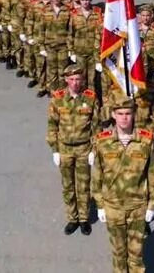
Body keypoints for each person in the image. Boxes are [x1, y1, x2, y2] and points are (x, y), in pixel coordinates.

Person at [92, 98, 154, 273]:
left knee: (136, 255)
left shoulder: (145, 140)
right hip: (113, 206)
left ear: (134, 114)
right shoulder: (102, 141)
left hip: (137, 206)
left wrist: (152, 205)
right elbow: (97, 176)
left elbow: (153, 175)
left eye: (128, 114)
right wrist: (99, 205)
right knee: (118, 254)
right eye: (120, 114)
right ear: (113, 115)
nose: (124, 118)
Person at [47, 64, 100, 235]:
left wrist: (94, 149)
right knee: (68, 185)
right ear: (66, 80)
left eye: (78, 79)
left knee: (83, 185)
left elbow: (96, 126)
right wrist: (55, 150)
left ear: (83, 80)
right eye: (72, 79)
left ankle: (84, 218)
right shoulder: (58, 98)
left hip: (84, 148)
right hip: (65, 149)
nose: (75, 83)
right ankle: (72, 218)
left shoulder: (90, 98)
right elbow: (52, 126)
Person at [36, 0, 73, 94]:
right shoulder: (45, 11)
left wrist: (70, 48)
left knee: (63, 70)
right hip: (50, 46)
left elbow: (70, 30)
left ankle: (62, 92)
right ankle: (52, 91)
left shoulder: (67, 10)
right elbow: (41, 30)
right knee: (51, 70)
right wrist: (41, 47)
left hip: (63, 46)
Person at [68, 0, 103, 86]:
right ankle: (82, 98)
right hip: (79, 51)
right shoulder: (74, 14)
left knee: (92, 79)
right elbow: (71, 33)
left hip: (93, 52)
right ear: (79, 1)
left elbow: (100, 33)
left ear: (90, 0)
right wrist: (71, 51)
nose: (85, 2)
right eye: (82, 0)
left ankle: (91, 98)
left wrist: (98, 58)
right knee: (81, 78)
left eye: (87, 0)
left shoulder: (97, 13)